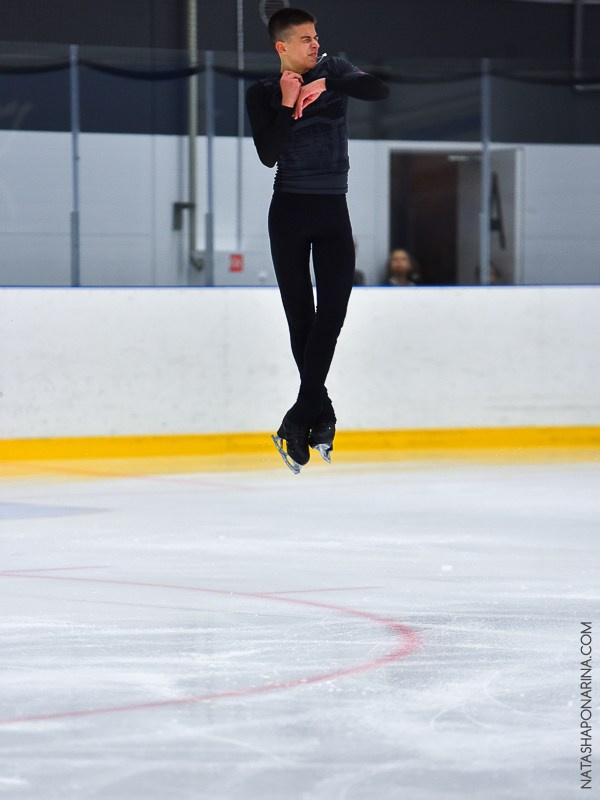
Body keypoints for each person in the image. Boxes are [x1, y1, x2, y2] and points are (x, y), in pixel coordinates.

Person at [246, 7, 389, 473]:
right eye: (304, 39)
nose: (314, 44)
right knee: (300, 319)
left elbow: (378, 89)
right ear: (281, 47)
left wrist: (327, 84)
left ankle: (299, 418)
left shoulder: (337, 70)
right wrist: (288, 103)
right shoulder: (262, 92)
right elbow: (268, 155)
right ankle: (318, 413)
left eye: (315, 37)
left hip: (333, 211)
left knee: (334, 313)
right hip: (288, 210)